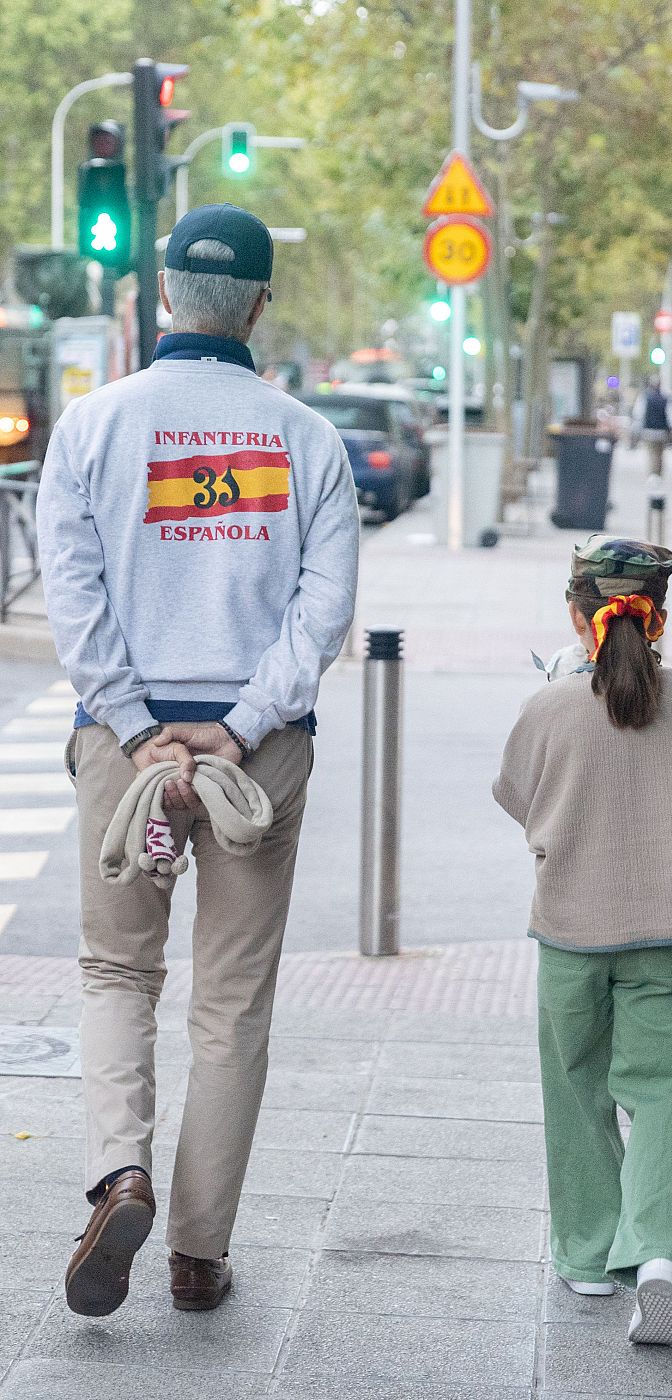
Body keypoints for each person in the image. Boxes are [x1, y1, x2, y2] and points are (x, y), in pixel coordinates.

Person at [36, 204, 359, 1317]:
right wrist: (238, 721)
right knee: (231, 999)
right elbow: (323, 612)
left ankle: (118, 1170)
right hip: (254, 757)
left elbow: (71, 593)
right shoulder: (304, 437)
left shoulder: (94, 426)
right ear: (260, 304)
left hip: (127, 758)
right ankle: (197, 1251)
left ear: (164, 293)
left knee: (118, 971)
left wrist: (135, 726)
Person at [493, 535, 672, 1348]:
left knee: (575, 1083)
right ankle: (662, 1255)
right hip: (668, 930)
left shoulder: (549, 706)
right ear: (659, 619)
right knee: (666, 1086)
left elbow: (517, 796)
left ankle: (591, 1255)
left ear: (575, 614)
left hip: (570, 926)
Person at [635, 377, 671, 476]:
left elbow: (639, 414)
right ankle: (658, 473)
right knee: (660, 454)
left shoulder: (645, 398)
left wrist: (638, 428)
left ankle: (652, 474)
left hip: (648, 430)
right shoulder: (665, 399)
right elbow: (670, 414)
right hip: (662, 431)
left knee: (651, 453)